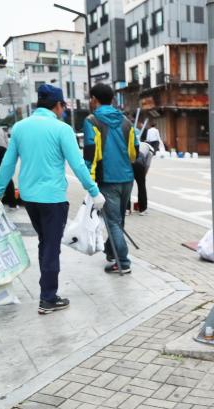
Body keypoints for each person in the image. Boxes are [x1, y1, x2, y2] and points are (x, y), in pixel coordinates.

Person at [0, 84, 104, 314]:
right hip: (52, 199)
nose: (63, 110)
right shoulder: (62, 129)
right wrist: (94, 191)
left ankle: (47, 291)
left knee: (46, 242)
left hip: (30, 199)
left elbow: (7, 162)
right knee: (51, 247)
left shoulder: (20, 128)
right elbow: (78, 164)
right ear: (58, 105)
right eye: (63, 106)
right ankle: (48, 298)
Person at [83, 83, 138, 274]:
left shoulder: (92, 121)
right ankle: (111, 250)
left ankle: (122, 262)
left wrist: (89, 184)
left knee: (113, 222)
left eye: (90, 98)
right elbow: (134, 152)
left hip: (107, 179)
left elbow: (90, 154)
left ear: (95, 100)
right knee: (118, 220)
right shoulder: (126, 122)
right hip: (127, 179)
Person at [132, 141, 153, 215]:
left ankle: (127, 210)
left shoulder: (138, 143)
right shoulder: (151, 150)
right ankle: (142, 209)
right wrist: (143, 175)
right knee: (141, 186)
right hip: (139, 164)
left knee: (128, 186)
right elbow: (147, 164)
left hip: (130, 162)